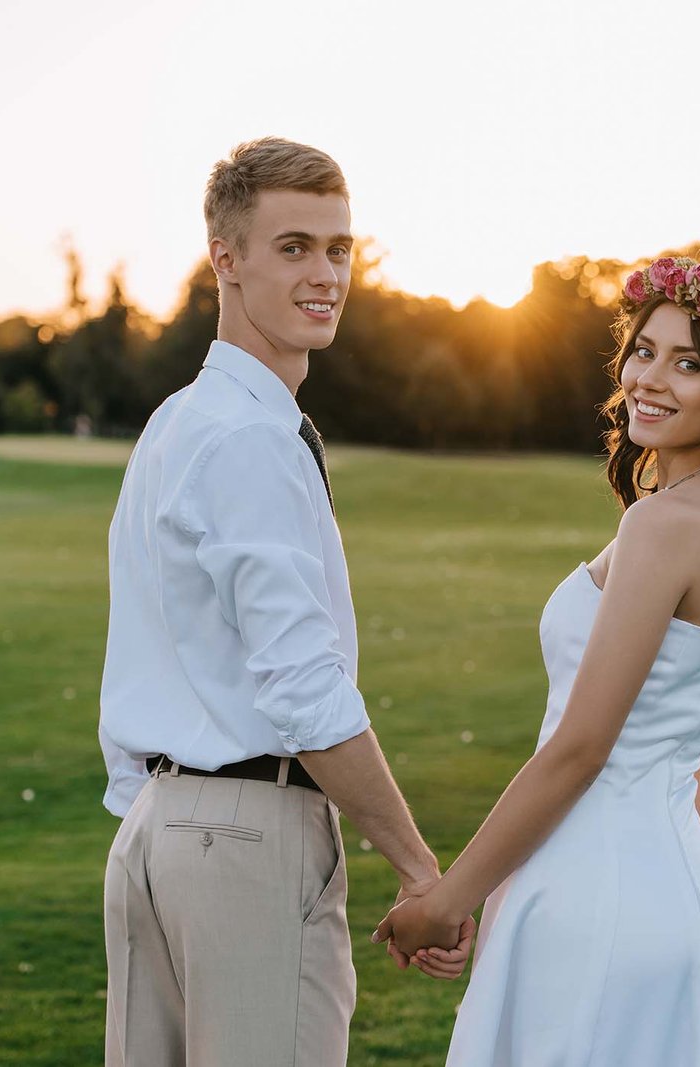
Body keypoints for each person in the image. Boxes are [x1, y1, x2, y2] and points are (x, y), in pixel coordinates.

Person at [373, 257, 700, 1065]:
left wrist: (447, 901)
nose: (650, 378)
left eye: (688, 363)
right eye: (644, 351)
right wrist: (657, 890)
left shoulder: (662, 526)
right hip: (692, 904)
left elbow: (580, 748)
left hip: (588, 901)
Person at [98, 137, 472, 1067]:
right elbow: (304, 689)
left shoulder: (179, 421)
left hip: (155, 831)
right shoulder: (248, 439)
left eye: (339, 249)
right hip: (245, 838)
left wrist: (158, 819)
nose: (326, 274)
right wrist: (420, 867)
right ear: (225, 258)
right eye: (294, 246)